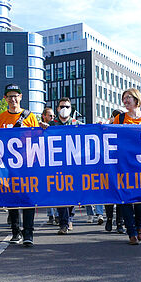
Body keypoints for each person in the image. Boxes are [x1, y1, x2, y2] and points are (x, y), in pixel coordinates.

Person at [0, 84, 40, 247]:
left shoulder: (30, 117)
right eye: (9, 96)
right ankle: (15, 231)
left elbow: (37, 138)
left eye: (16, 96)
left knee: (28, 198)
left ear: (20, 97)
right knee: (12, 198)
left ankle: (28, 233)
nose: (13, 99)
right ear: (5, 99)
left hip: (27, 164)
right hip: (9, 164)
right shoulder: (0, 118)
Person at [113, 88, 141, 245]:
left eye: (128, 97)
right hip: (123, 165)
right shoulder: (120, 118)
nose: (125, 100)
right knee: (125, 199)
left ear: (137, 99)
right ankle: (131, 231)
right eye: (123, 98)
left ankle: (139, 226)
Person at [50, 98, 82, 234]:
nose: (64, 108)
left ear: (71, 109)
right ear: (57, 109)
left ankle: (69, 218)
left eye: (67, 106)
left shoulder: (77, 124)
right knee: (61, 193)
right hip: (57, 164)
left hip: (73, 164)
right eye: (62, 106)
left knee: (71, 193)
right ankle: (63, 223)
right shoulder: (51, 124)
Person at [41, 108, 57, 225]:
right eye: (50, 116)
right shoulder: (39, 127)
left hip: (55, 163)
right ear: (44, 116)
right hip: (45, 163)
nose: (52, 118)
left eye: (53, 116)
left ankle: (56, 215)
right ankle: (51, 215)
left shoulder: (55, 127)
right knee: (47, 190)